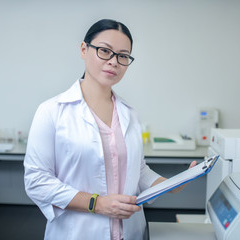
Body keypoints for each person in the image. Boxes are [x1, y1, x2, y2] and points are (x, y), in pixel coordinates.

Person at [24, 19, 196, 240]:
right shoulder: (51, 111)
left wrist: (170, 185)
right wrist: (97, 203)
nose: (114, 62)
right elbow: (36, 181)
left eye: (123, 56)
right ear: (84, 49)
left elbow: (138, 170)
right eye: (105, 51)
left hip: (130, 232)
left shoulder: (129, 114)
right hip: (77, 232)